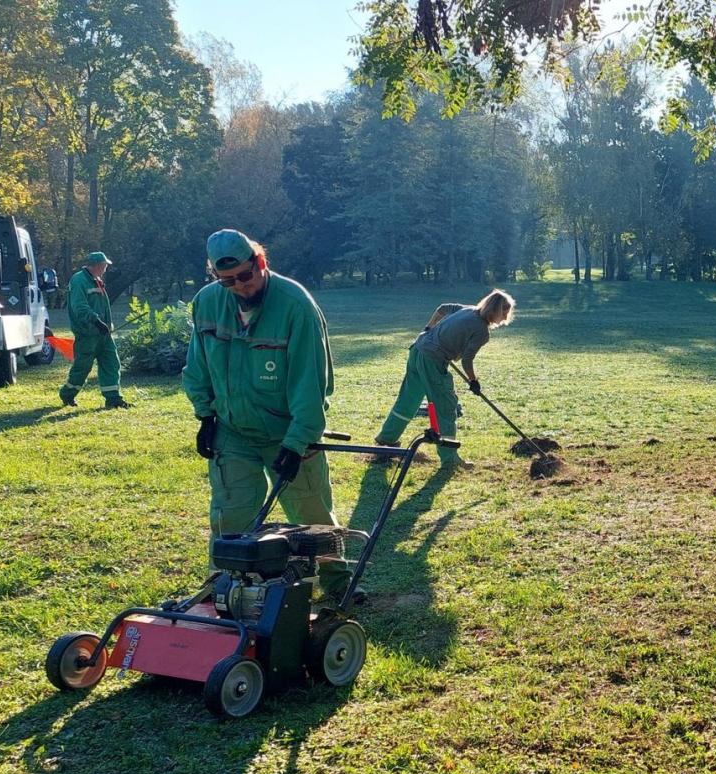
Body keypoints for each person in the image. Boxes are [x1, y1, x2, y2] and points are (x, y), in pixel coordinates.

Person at [181, 229, 358, 603]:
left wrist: (297, 443)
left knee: (310, 510)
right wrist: (205, 416)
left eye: (246, 275)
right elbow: (197, 365)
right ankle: (226, 586)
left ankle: (337, 579)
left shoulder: (296, 306)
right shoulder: (208, 304)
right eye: (227, 281)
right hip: (232, 430)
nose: (240, 286)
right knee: (231, 512)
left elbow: (312, 384)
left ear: (260, 262)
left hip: (288, 429)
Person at [372, 289, 516, 467]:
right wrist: (474, 381)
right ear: (493, 310)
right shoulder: (482, 331)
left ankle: (386, 441)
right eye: (504, 312)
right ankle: (450, 458)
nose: (505, 318)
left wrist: (428, 328)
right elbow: (467, 361)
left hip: (417, 349)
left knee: (408, 400)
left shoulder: (467, 309)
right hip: (432, 360)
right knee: (446, 406)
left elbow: (442, 309)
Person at [59, 251, 131, 408]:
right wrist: (97, 322)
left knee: (111, 363)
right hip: (87, 334)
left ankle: (113, 399)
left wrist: (104, 325)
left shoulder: (96, 280)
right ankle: (67, 394)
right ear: (98, 265)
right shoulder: (79, 281)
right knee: (82, 368)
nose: (106, 268)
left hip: (103, 334)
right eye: (105, 265)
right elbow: (79, 307)